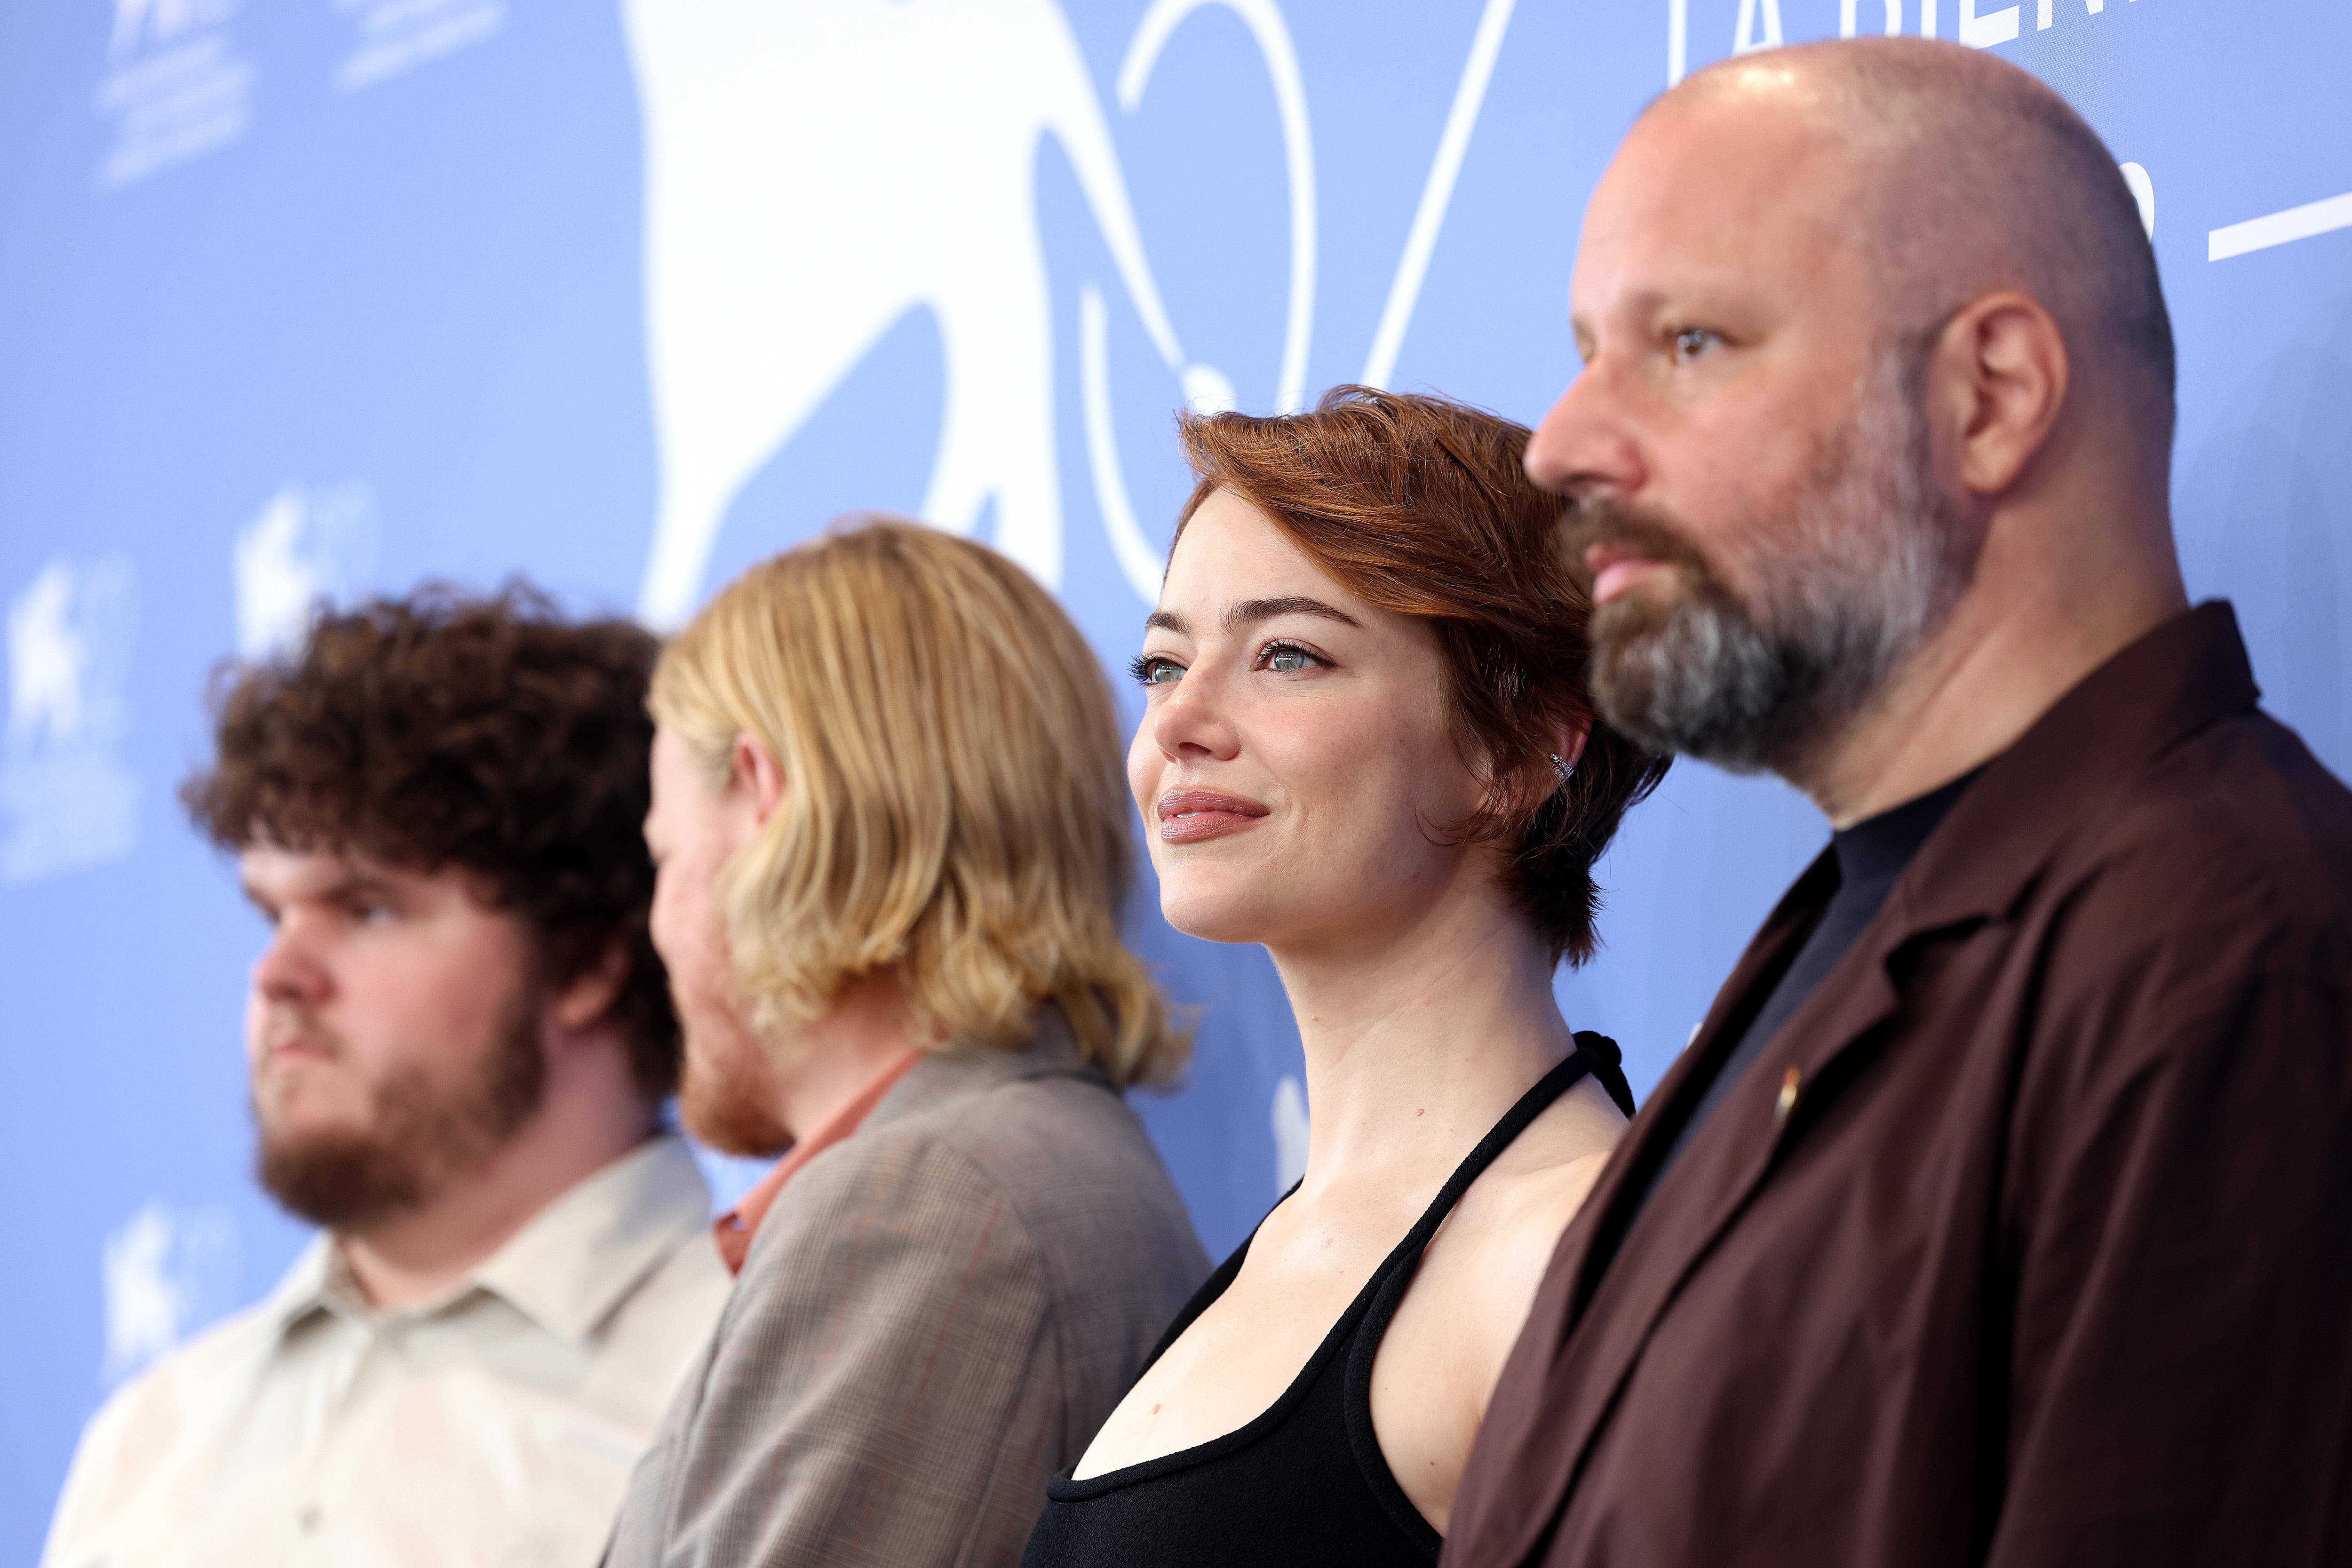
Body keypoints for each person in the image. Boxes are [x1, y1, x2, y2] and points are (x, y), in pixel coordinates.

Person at [1443, 37, 2352, 1568]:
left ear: (1990, 394)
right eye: (1589, 345)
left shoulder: (2236, 970)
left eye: (1691, 343)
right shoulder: (1849, 931)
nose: (1563, 443)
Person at [1022, 387, 1670, 1567]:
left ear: (1524, 747)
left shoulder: (1561, 1255)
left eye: (1288, 654)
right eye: (1162, 662)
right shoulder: (1295, 1237)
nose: (1181, 723)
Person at [42, 588, 731, 1568]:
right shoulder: (152, 1436)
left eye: (368, 909)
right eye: (272, 913)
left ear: (585, 961)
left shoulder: (759, 1394)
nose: (278, 973)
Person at [604, 517, 1209, 1568]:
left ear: (761, 799)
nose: (651, 925)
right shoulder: (985, 1174)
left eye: (661, 859)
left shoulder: (929, 1205)